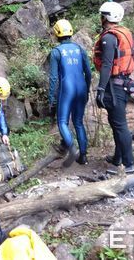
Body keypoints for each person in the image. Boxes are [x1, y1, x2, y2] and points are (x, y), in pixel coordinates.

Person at [94, 1, 134, 174]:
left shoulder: (109, 37)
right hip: (124, 82)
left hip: (115, 85)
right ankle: (118, 157)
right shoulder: (125, 33)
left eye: (102, 15)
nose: (101, 18)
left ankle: (129, 165)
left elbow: (107, 65)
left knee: (120, 124)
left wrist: (100, 89)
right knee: (115, 122)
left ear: (106, 17)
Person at [48, 19, 92, 166]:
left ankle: (72, 148)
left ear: (56, 34)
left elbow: (54, 78)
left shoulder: (56, 52)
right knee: (78, 122)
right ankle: (84, 156)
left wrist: (51, 98)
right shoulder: (80, 49)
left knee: (62, 122)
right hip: (82, 87)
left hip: (67, 89)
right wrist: (87, 89)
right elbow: (88, 72)